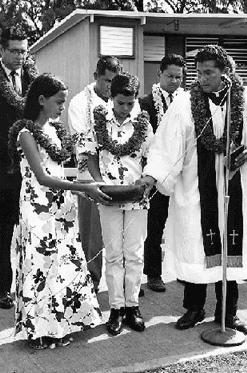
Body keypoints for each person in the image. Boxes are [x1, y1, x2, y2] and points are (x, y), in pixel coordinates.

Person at [139, 45, 247, 335]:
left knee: (230, 248)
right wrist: (153, 175)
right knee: (197, 244)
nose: (202, 78)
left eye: (209, 72)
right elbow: (168, 143)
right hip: (197, 188)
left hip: (238, 186)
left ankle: (228, 313)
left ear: (226, 72)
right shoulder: (185, 102)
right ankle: (194, 309)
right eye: (198, 72)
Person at [8, 73, 106, 350]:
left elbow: (68, 169)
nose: (62, 107)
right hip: (38, 208)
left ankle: (64, 324)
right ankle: (40, 329)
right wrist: (85, 189)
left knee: (63, 266)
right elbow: (42, 177)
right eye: (58, 102)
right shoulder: (26, 134)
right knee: (41, 267)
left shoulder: (57, 131)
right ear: (41, 100)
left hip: (63, 207)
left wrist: (82, 186)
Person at [82, 72, 153, 336]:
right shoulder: (98, 121)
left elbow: (151, 155)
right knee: (113, 255)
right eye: (121, 102)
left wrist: (146, 182)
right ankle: (115, 308)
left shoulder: (143, 124)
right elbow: (89, 154)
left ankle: (133, 306)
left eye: (130, 103)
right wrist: (99, 183)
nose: (125, 108)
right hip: (108, 196)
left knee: (134, 254)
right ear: (111, 98)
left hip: (136, 196)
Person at [68, 56, 121, 293]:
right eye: (106, 80)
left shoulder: (122, 99)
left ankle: (121, 281)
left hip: (119, 174)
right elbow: (81, 140)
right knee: (92, 234)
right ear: (95, 77)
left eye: (114, 80)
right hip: (90, 175)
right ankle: (91, 280)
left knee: (120, 231)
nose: (110, 86)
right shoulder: (80, 103)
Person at [139, 54, 185, 293]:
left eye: (179, 77)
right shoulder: (144, 103)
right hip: (156, 172)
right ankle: (153, 273)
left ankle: (184, 270)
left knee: (184, 223)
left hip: (182, 173)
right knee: (154, 225)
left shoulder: (188, 101)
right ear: (159, 74)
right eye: (170, 76)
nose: (175, 81)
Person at [0, 26, 38, 309]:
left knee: (27, 228)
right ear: (2, 50)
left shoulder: (32, 79)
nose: (20, 57)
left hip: (28, 167)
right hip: (1, 168)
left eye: (24, 51)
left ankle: (30, 286)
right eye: (14, 51)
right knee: (2, 230)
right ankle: (3, 287)